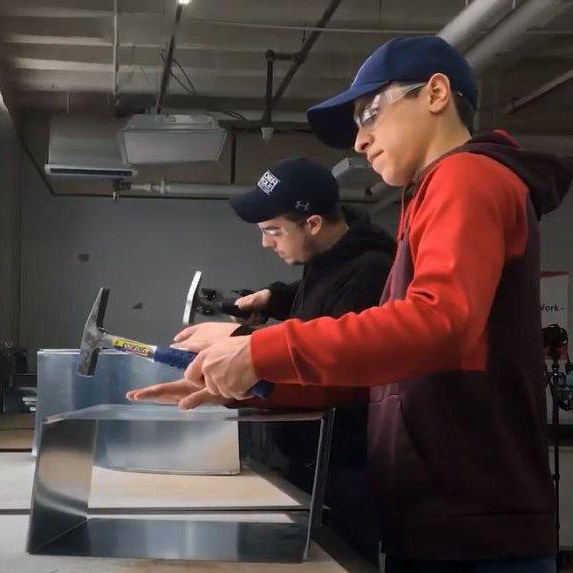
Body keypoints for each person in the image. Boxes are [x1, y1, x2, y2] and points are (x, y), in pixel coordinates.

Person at [129, 36, 573, 572]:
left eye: (369, 113)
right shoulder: (432, 193)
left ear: (435, 93)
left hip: (472, 521)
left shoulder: (466, 177)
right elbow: (383, 377)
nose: (360, 141)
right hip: (442, 515)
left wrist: (263, 349)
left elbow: (438, 324)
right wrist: (252, 381)